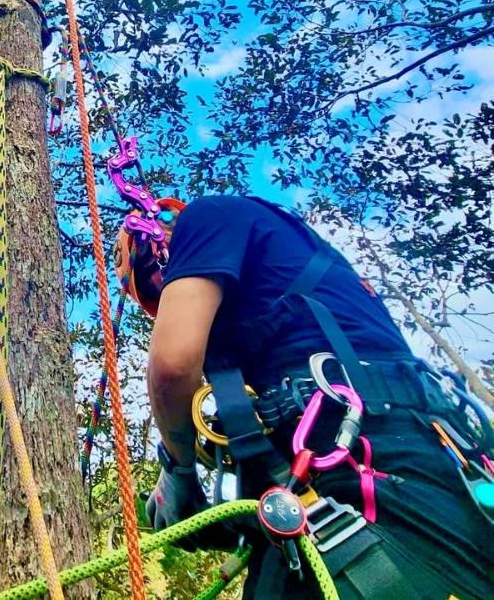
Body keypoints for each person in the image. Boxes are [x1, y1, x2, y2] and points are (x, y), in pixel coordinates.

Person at [113, 195, 493, 599]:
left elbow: (172, 365)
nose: (164, 295)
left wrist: (177, 473)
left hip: (346, 470)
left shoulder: (209, 216)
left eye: (157, 282)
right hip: (428, 470)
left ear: (160, 243)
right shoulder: (299, 269)